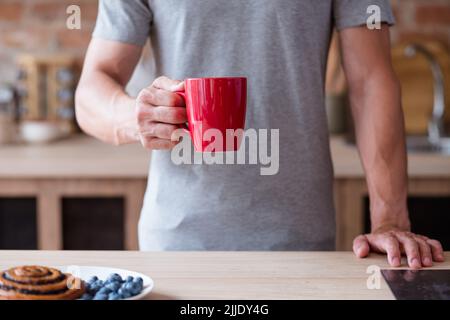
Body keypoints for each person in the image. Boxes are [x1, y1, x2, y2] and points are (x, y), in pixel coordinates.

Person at [76, 0, 444, 268]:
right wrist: (134, 116)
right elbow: (91, 89)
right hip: (177, 246)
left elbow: (371, 80)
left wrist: (390, 220)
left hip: (301, 247)